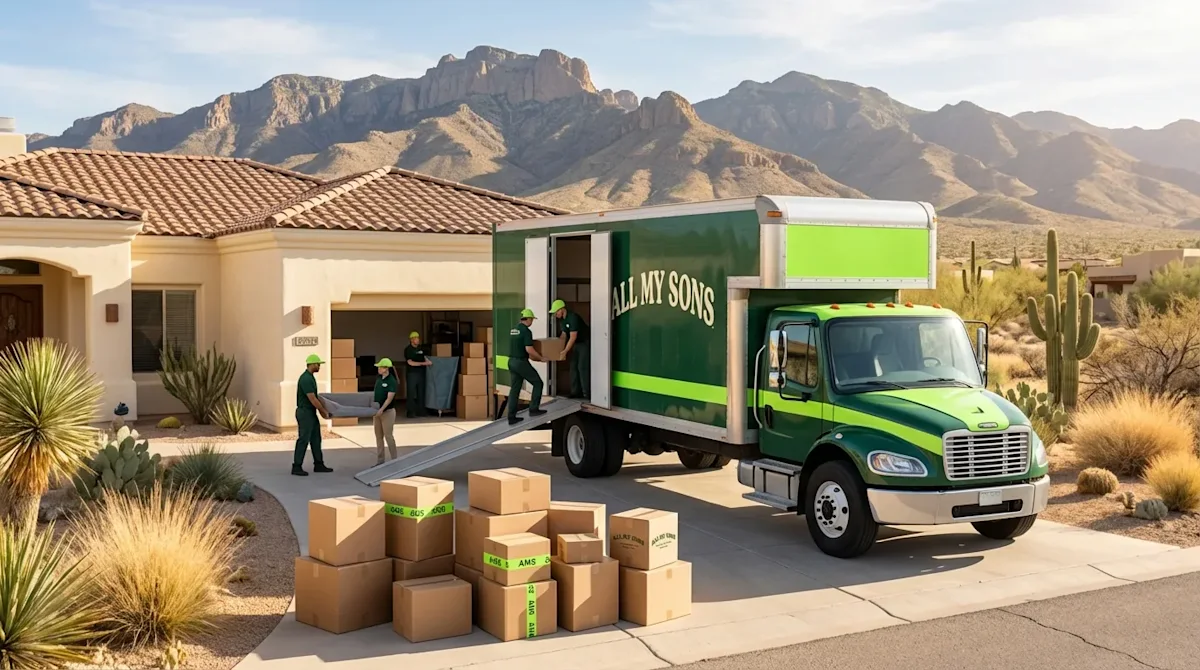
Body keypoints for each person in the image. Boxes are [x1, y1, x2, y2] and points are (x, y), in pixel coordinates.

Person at [507, 308, 548, 425]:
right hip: (521, 362)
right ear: (528, 319)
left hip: (511, 361)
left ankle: (511, 417)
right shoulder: (526, 331)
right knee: (538, 383)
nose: (532, 322)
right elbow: (529, 349)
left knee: (515, 389)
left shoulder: (513, 329)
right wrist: (541, 357)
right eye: (532, 320)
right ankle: (534, 409)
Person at [294, 353, 332, 476]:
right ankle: (297, 466)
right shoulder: (306, 379)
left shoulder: (310, 377)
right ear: (312, 364)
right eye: (318, 364)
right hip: (305, 412)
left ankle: (319, 464)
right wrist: (323, 411)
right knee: (303, 439)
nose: (319, 367)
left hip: (310, 412)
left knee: (316, 439)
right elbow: (312, 398)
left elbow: (316, 397)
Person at [551, 299, 590, 399]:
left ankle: (586, 393)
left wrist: (565, 351)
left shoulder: (573, 318)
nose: (555, 314)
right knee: (573, 366)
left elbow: (573, 337)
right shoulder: (562, 320)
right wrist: (559, 347)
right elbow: (564, 335)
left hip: (584, 342)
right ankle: (575, 392)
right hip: (576, 343)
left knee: (582, 367)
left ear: (562, 309)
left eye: (556, 312)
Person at [372, 357, 399, 466]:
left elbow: (389, 398)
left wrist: (382, 409)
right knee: (378, 437)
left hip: (387, 412)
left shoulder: (391, 381)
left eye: (380, 367)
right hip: (377, 412)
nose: (378, 369)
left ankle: (394, 459)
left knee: (388, 436)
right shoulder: (379, 378)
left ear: (386, 368)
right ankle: (380, 460)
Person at [403, 331, 433, 418]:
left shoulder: (420, 349)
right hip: (412, 374)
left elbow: (424, 357)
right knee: (411, 393)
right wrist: (424, 364)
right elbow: (410, 362)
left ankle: (421, 411)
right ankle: (410, 412)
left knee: (421, 392)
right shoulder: (408, 350)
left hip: (421, 373)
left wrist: (428, 361)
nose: (418, 340)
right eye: (416, 338)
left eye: (418, 338)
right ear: (411, 340)